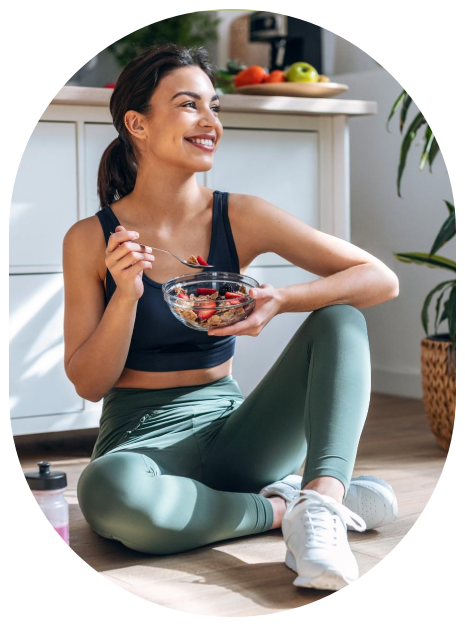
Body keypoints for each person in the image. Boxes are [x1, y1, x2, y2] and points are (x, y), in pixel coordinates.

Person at [64, 43, 400, 592]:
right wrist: (125, 294)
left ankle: (322, 506)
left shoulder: (239, 215)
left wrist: (283, 298)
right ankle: (279, 507)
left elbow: (378, 279)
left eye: (214, 106)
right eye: (188, 104)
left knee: (340, 318)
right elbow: (89, 381)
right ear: (137, 124)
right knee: (108, 492)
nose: (210, 121)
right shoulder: (90, 239)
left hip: (238, 435)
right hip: (138, 442)